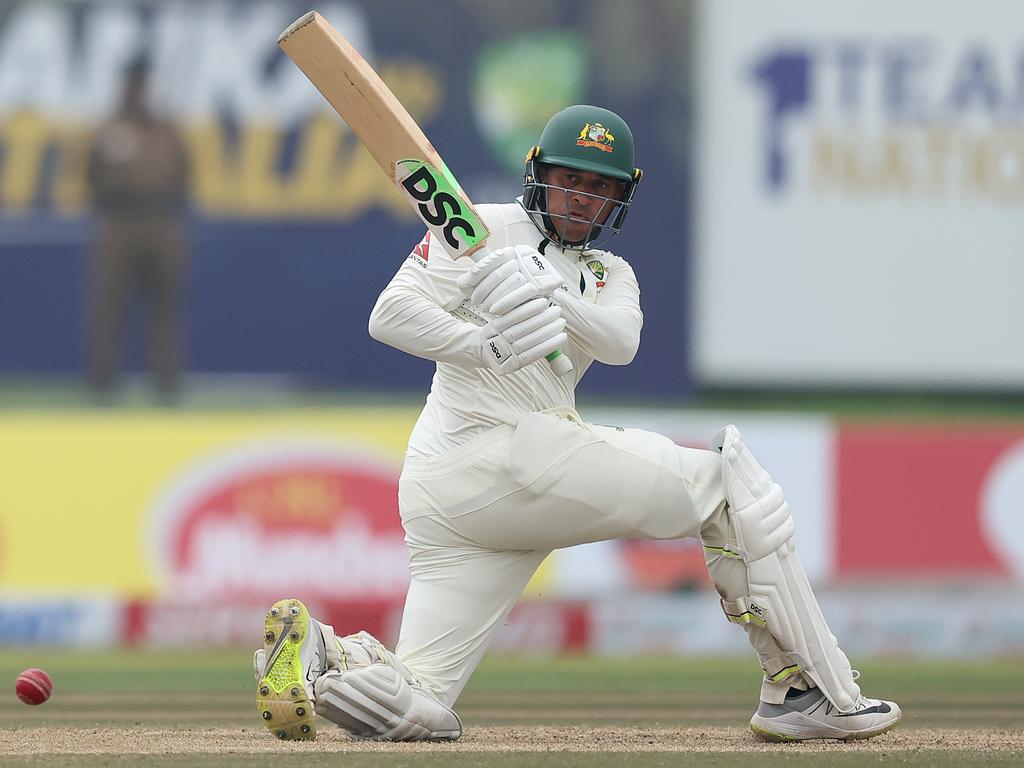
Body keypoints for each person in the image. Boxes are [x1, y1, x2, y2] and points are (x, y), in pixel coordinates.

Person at [252, 105, 902, 743]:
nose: (582, 197)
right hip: (501, 454)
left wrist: (551, 290)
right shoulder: (480, 227)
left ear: (620, 199)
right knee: (730, 487)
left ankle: (325, 656)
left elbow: (620, 342)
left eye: (600, 187)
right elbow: (390, 315)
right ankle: (804, 690)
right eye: (570, 179)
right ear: (538, 174)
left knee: (423, 704)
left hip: (465, 490)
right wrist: (483, 345)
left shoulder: (608, 274)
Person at [86, 54, 190, 402]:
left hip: (160, 222)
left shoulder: (164, 129)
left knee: (165, 305)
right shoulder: (109, 128)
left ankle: (166, 382)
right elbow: (90, 174)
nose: (136, 92)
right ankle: (103, 382)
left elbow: (184, 172)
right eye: (132, 84)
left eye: (141, 84)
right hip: (118, 222)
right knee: (110, 304)